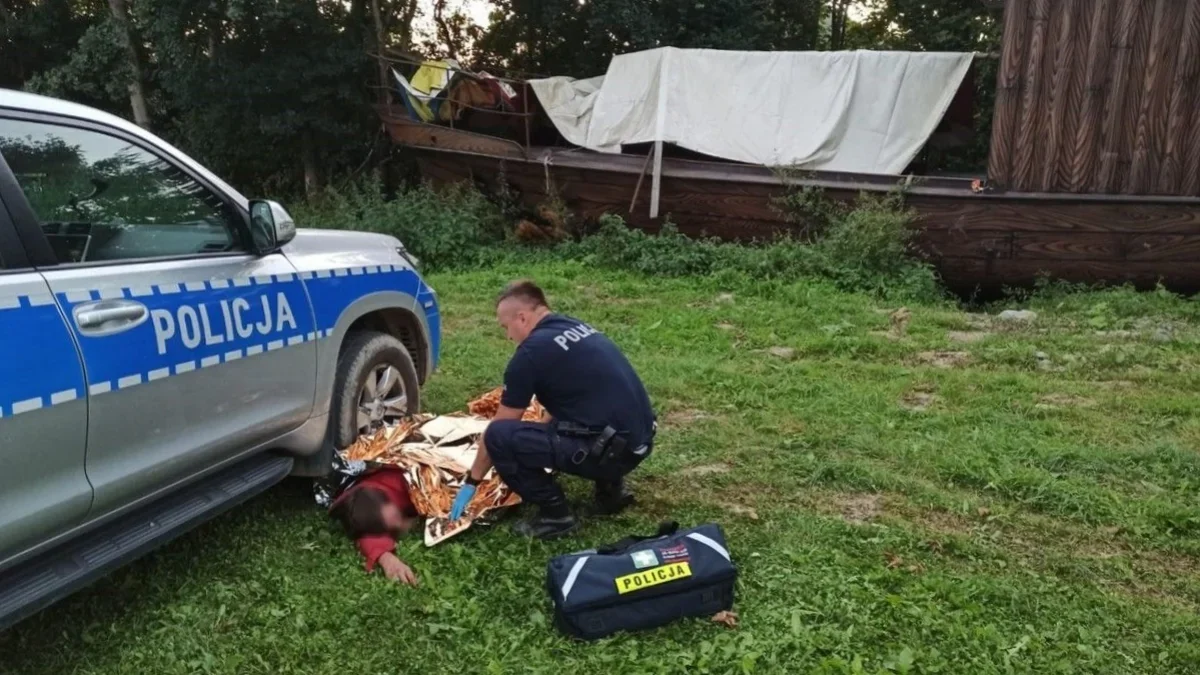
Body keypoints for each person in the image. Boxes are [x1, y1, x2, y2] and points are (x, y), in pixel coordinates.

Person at [449, 280, 656, 539]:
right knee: (584, 412)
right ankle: (611, 493)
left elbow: (499, 428)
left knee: (499, 437)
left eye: (506, 327)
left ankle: (556, 515)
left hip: (613, 453)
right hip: (638, 440)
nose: (508, 336)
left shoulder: (530, 355)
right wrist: (539, 440)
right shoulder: (574, 326)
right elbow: (566, 400)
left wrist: (472, 481)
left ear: (522, 318)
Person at [329, 466, 421, 585]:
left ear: (388, 500)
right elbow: (368, 535)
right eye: (394, 527)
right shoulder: (362, 511)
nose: (402, 525)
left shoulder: (398, 482)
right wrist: (386, 558)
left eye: (396, 517)